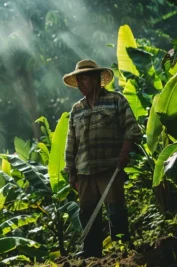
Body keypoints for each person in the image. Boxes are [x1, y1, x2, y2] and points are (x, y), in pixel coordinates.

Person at [63, 59, 142, 258]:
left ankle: (122, 247)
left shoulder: (116, 100)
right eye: (78, 80)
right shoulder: (76, 109)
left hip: (110, 166)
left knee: (115, 208)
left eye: (85, 79)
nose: (80, 84)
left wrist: (125, 151)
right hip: (85, 170)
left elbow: (132, 129)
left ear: (98, 80)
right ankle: (91, 251)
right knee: (87, 211)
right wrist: (72, 173)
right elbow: (71, 142)